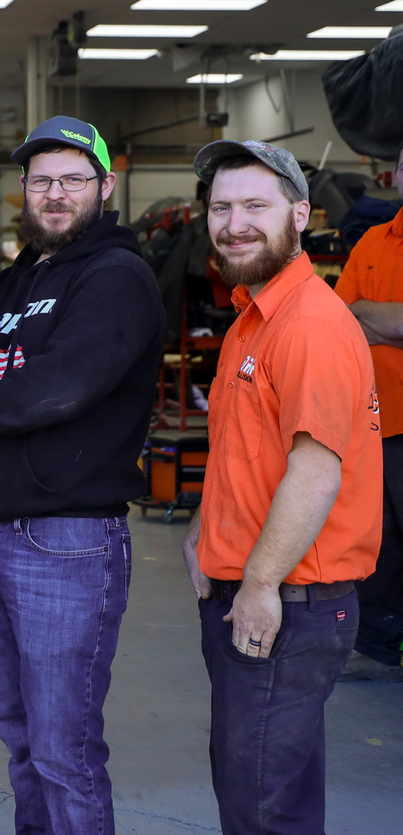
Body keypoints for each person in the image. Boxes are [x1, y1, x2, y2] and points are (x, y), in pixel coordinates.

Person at [0, 115, 165, 835]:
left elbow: (61, 386)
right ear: (23, 188)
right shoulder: (16, 281)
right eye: (41, 179)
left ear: (105, 186)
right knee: (21, 739)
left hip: (65, 541)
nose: (54, 193)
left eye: (73, 179)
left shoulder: (118, 277)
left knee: (63, 751)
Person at [182, 139, 383, 835]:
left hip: (288, 601)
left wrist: (261, 583)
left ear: (300, 214)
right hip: (260, 591)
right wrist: (201, 532)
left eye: (256, 206)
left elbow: (316, 469)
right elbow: (250, 452)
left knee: (262, 805)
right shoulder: (253, 317)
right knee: (270, 789)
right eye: (222, 207)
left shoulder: (310, 325)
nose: (235, 222)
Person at [333, 142, 403, 677]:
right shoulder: (373, 241)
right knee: (377, 541)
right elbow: (343, 317)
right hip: (372, 419)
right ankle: (381, 645)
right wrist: (378, 318)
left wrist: (372, 317)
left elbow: (365, 316)